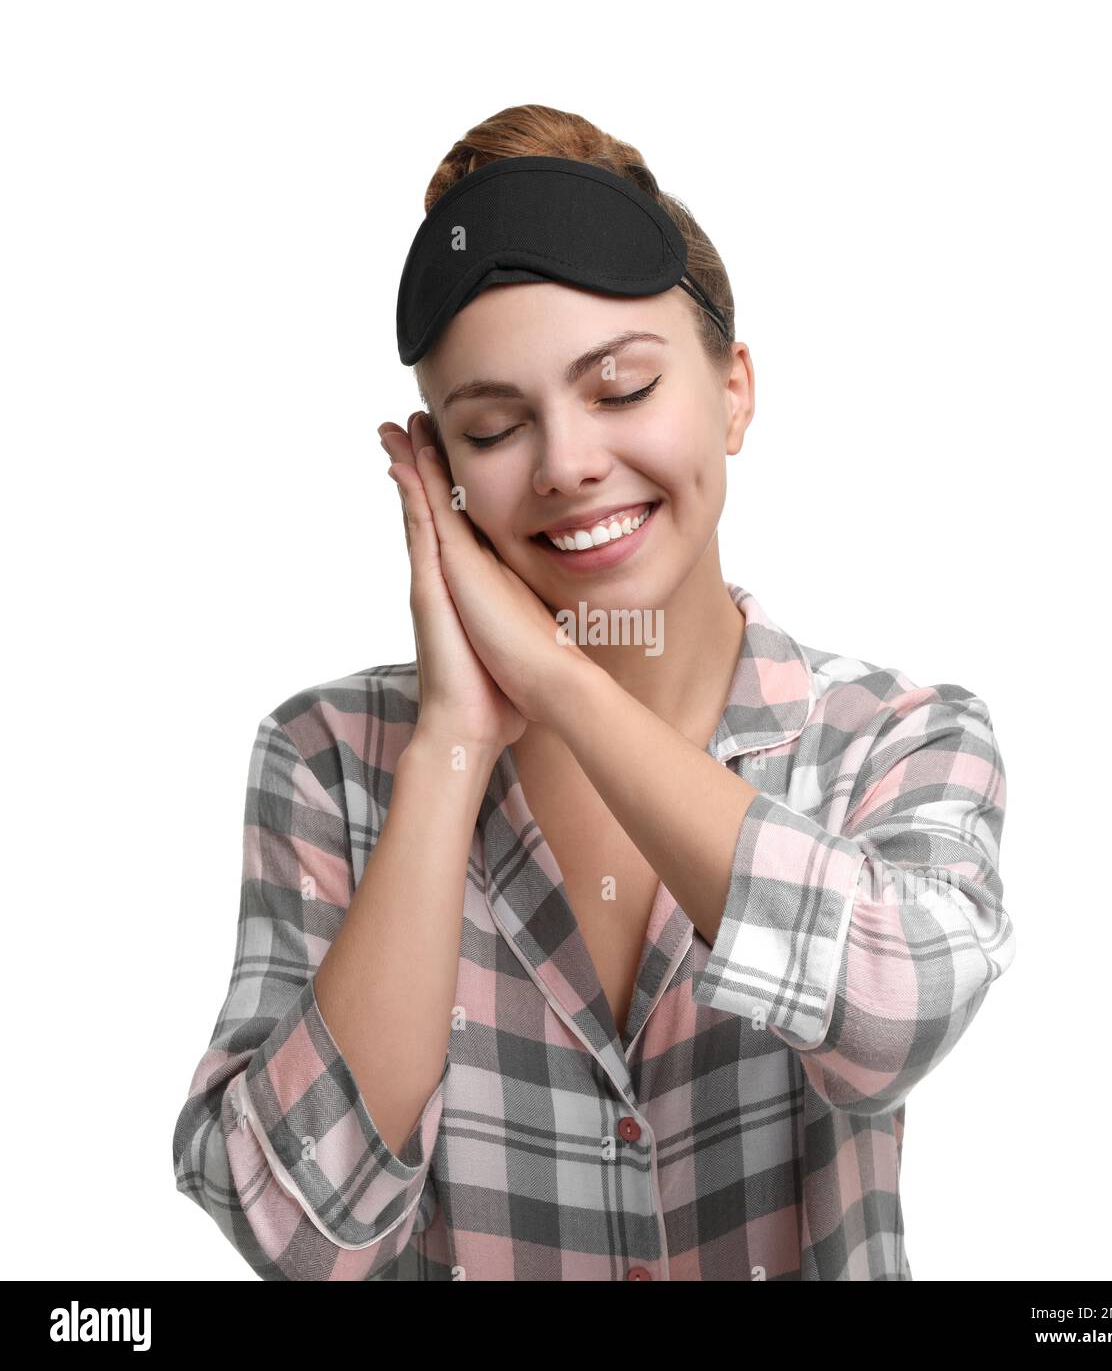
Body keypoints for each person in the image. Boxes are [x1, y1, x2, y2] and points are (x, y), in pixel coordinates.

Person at [172, 103, 1015, 1281]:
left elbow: (891, 1014)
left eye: (618, 388)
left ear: (733, 391)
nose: (565, 462)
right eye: (495, 425)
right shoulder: (330, 759)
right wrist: (453, 746)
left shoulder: (890, 737)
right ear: (440, 476)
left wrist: (561, 682)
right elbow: (294, 1235)